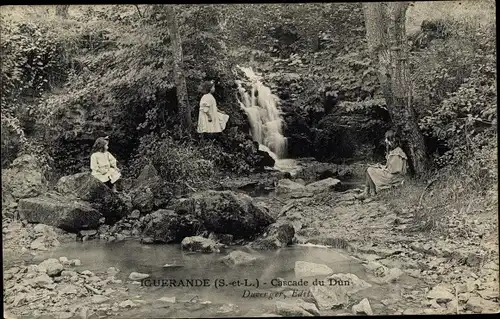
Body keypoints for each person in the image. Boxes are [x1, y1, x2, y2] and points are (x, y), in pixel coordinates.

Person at [358, 130, 408, 198]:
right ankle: (369, 192)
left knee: (369, 169)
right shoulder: (397, 150)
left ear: (392, 139)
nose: (385, 141)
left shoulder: (397, 153)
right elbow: (392, 167)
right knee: (370, 169)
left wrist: (382, 167)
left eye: (387, 139)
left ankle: (370, 193)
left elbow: (393, 170)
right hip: (394, 176)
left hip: (394, 178)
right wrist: (381, 166)